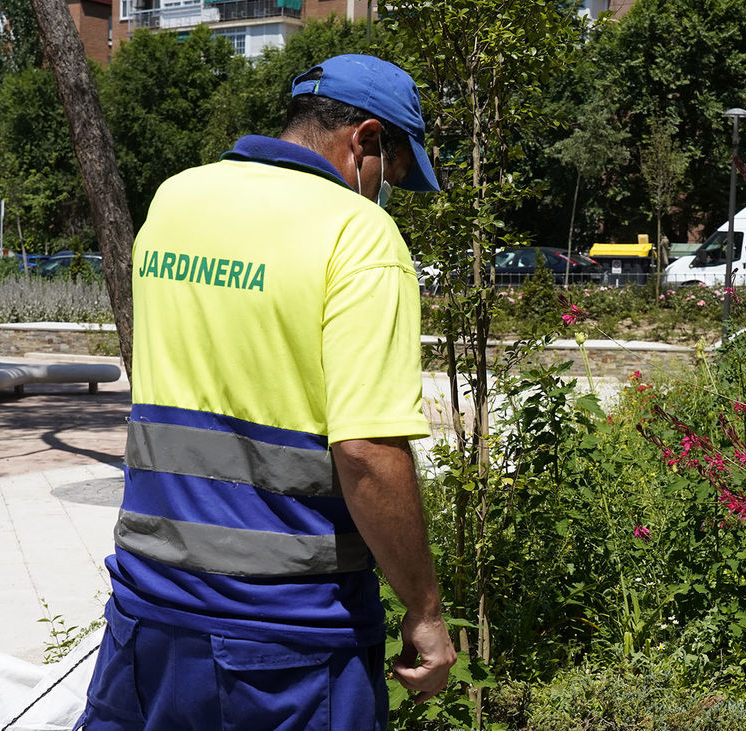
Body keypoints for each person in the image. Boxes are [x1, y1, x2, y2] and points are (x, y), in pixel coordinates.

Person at [77, 54, 456, 730]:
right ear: (364, 139)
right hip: (289, 647)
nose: (383, 192)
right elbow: (367, 451)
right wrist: (424, 611)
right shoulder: (358, 235)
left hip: (148, 619)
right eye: (391, 174)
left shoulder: (176, 198)